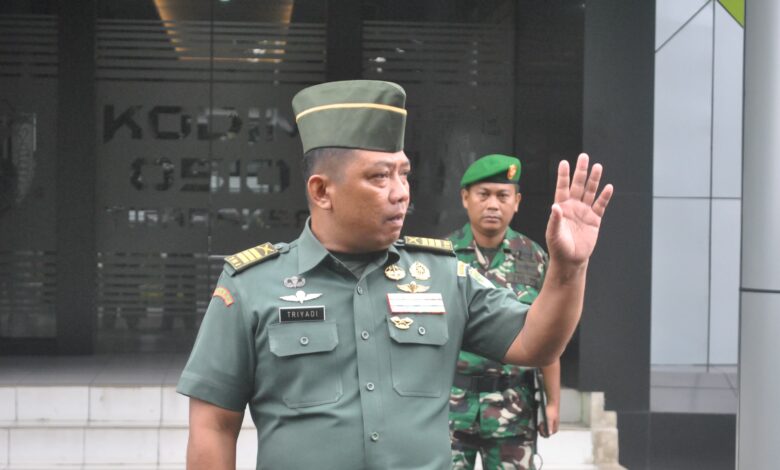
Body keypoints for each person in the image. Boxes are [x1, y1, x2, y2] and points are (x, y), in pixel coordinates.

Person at [177, 80, 613, 470]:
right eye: (379, 177)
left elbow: (537, 341)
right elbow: (214, 425)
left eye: (404, 174)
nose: (400, 192)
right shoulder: (252, 286)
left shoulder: (444, 276)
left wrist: (569, 268)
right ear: (322, 190)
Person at [448, 154, 559, 470]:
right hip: (450, 408)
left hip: (513, 408)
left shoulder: (535, 258)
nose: (493, 205)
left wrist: (553, 402)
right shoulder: (441, 257)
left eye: (502, 195)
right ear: (465, 198)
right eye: (483, 194)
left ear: (517, 202)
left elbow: (549, 333)